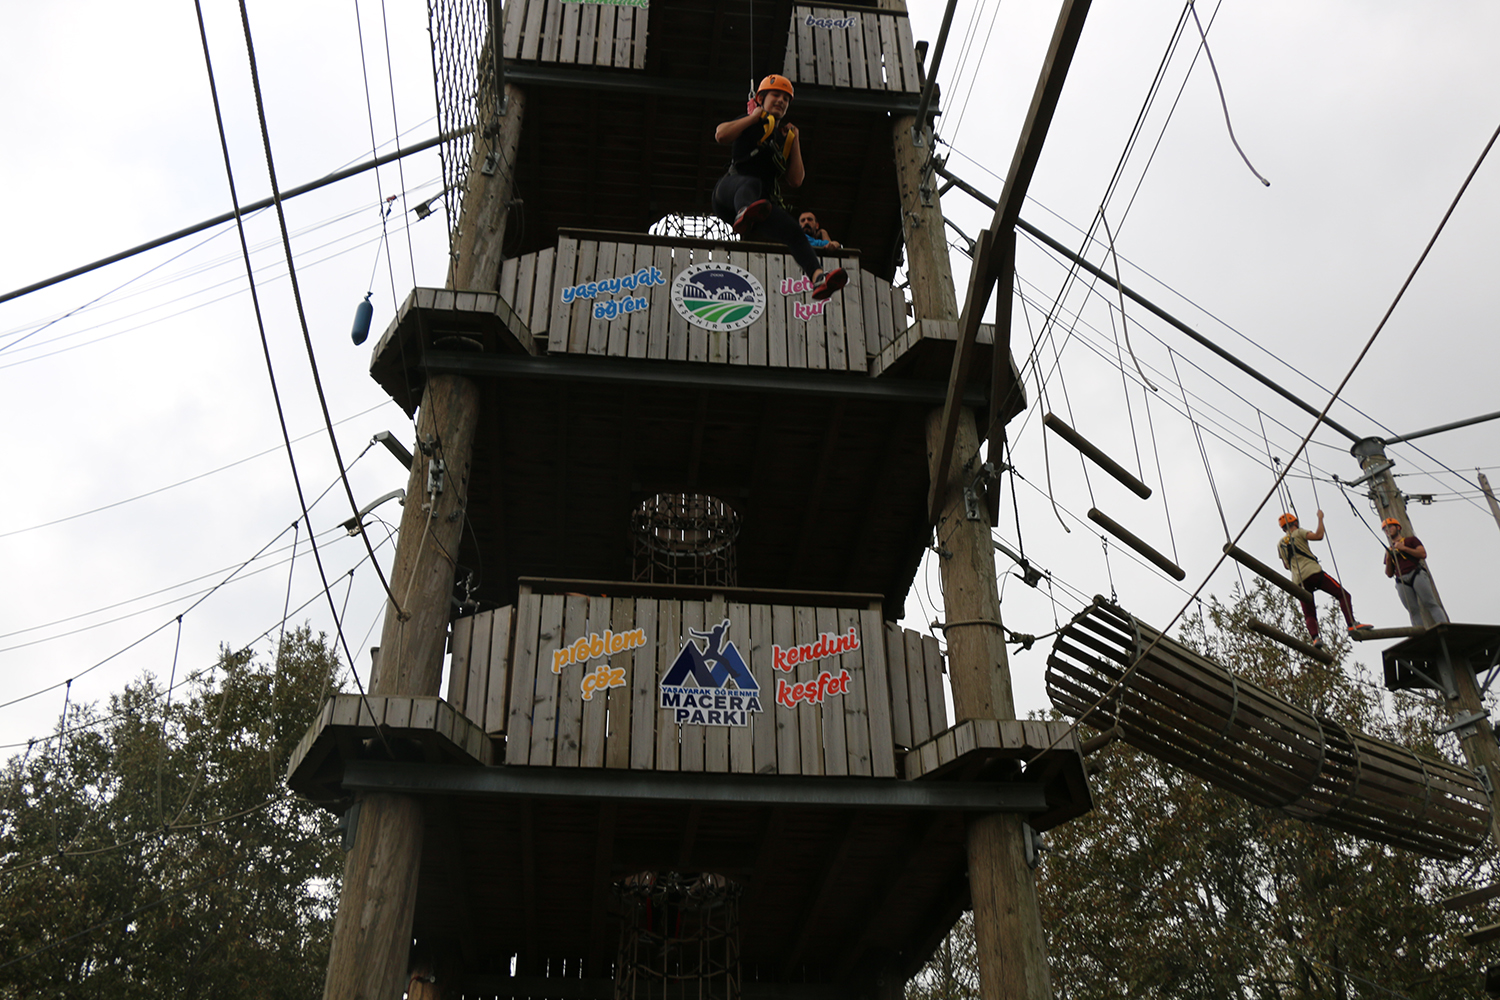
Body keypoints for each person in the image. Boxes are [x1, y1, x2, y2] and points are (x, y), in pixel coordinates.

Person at [712, 75, 847, 301]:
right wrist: (753, 117)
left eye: (786, 99)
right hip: (729, 193)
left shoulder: (783, 137)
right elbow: (721, 135)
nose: (781, 101)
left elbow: (796, 180)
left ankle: (818, 278)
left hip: (760, 206)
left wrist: (795, 142)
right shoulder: (751, 121)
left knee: (795, 233)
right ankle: (744, 211)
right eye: (776, 96)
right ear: (761, 98)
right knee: (752, 183)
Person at [1277, 510, 1371, 649]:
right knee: (1343, 594)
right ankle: (1351, 625)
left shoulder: (1280, 544)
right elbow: (1319, 535)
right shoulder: (1300, 532)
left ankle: (1315, 639)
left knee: (1309, 613)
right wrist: (1320, 519)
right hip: (1313, 572)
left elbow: (1286, 565)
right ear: (1295, 522)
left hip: (1298, 581)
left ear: (1284, 528)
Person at [1382, 517, 1449, 628]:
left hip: (1416, 573)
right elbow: (1389, 574)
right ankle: (1419, 633)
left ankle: (1444, 626)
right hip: (1401, 580)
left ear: (1398, 527)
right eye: (1385, 529)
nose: (1387, 530)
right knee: (1413, 611)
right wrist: (1388, 556)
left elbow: (1422, 554)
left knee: (1430, 602)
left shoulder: (1411, 540)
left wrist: (1403, 548)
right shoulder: (1390, 549)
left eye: (1390, 527)